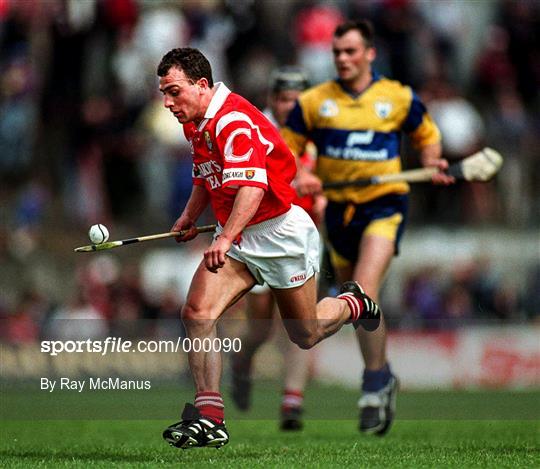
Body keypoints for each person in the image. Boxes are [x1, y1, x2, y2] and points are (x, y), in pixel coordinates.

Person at [157, 47, 381, 450]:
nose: (168, 103)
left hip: (280, 235)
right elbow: (205, 174)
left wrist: (225, 237)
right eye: (164, 94)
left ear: (202, 85)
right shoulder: (196, 121)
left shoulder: (233, 120)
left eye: (174, 92)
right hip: (240, 235)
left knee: (305, 333)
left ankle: (353, 304)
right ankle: (210, 418)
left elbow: (253, 187)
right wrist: (191, 216)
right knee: (197, 312)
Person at [281, 19, 454, 436]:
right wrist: (302, 173)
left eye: (351, 51)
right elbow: (287, 153)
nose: (342, 59)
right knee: (355, 307)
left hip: (385, 205)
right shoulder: (314, 102)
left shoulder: (397, 97)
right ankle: (380, 376)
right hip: (339, 212)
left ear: (369, 54)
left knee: (362, 291)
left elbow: (427, 136)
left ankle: (373, 386)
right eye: (337, 52)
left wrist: (432, 160)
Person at [230, 67, 324, 431]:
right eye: (285, 100)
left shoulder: (320, 135)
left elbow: (327, 182)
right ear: (273, 100)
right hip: (262, 235)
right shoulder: (257, 129)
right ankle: (241, 365)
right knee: (259, 329)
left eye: (298, 101)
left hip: (299, 237)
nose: (291, 107)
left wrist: (325, 193)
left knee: (297, 324)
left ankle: (292, 401)